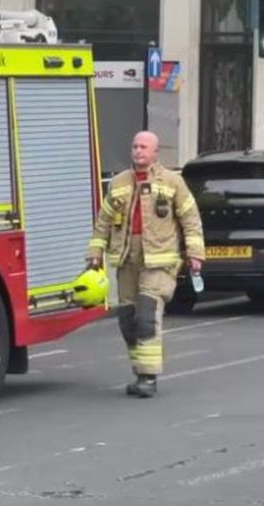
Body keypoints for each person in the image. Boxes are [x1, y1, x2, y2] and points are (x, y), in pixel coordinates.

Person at [86, 131, 205, 398]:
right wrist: (95, 253)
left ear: (155, 152)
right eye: (134, 146)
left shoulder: (173, 182)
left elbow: (190, 219)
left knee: (147, 316)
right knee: (128, 319)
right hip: (127, 259)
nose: (138, 151)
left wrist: (195, 254)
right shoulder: (118, 183)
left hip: (160, 261)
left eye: (143, 147)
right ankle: (141, 370)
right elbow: (103, 222)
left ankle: (149, 378)